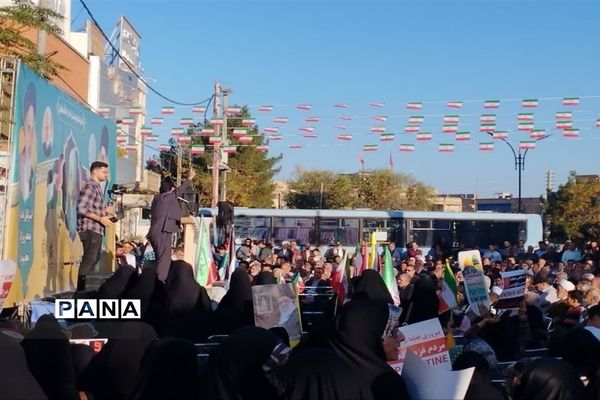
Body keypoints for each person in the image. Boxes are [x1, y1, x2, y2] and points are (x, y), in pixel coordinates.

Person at [147, 169, 195, 282]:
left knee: (161, 259)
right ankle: (160, 282)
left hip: (158, 232)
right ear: (170, 189)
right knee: (164, 260)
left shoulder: (158, 198)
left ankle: (158, 280)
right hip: (161, 233)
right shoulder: (165, 198)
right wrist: (189, 178)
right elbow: (178, 192)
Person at [76, 161, 113, 291]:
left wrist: (105, 211)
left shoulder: (96, 187)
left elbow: (92, 207)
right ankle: (81, 292)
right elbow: (81, 208)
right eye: (104, 172)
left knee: (93, 261)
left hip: (95, 230)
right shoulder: (90, 186)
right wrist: (100, 218)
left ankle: (86, 291)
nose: (106, 175)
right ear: (95, 171)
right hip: (90, 229)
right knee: (89, 260)